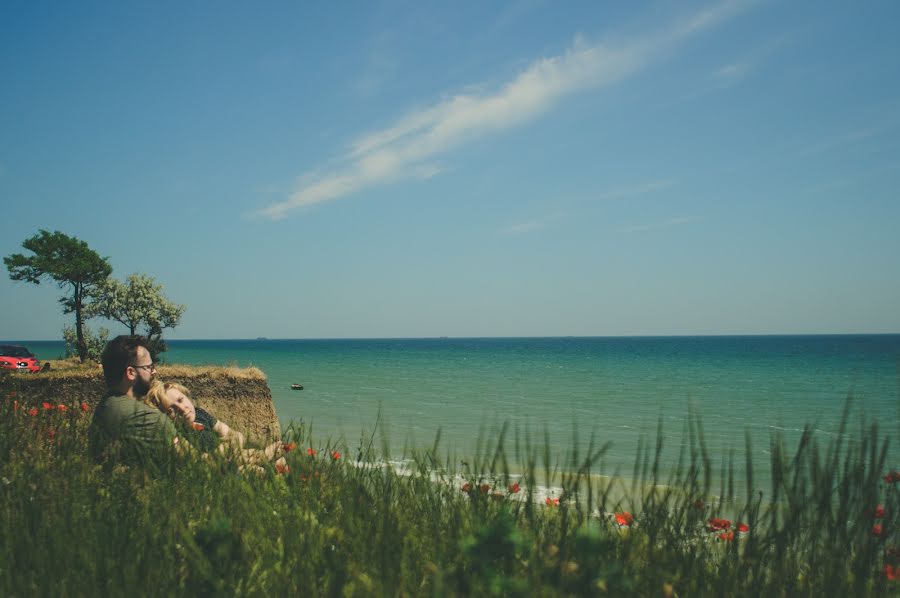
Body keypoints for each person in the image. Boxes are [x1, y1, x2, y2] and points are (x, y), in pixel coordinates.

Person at [145, 381, 285, 466]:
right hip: (218, 470)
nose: (182, 409)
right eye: (172, 410)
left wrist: (228, 446)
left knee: (280, 462)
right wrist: (226, 447)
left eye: (181, 400)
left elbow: (235, 435)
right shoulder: (174, 431)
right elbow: (200, 462)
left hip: (233, 458)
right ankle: (264, 457)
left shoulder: (200, 414)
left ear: (187, 396)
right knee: (257, 469)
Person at [88, 335, 178, 467]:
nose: (154, 371)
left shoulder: (106, 405)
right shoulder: (151, 419)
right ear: (131, 372)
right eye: (149, 367)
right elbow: (197, 462)